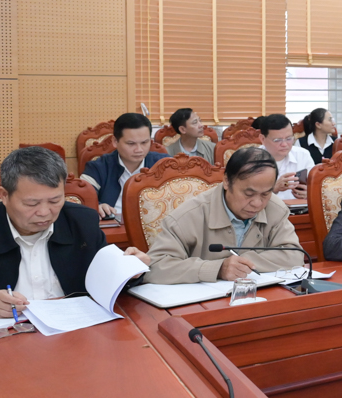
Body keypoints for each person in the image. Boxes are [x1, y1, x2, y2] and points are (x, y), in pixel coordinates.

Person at [0, 147, 141, 318]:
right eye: (31, 203)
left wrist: (130, 271)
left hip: (74, 330)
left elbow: (105, 280)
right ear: (4, 196)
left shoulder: (82, 221)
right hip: (0, 336)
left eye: (55, 200)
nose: (44, 212)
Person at [144, 148, 305, 283]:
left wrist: (240, 264)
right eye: (249, 194)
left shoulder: (275, 209)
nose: (257, 203)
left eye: (265, 194)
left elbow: (294, 256)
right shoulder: (188, 215)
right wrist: (217, 269)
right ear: (227, 181)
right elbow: (155, 267)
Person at [82, 112, 169, 221]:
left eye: (144, 143)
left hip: (156, 224)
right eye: (131, 144)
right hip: (114, 226)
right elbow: (80, 198)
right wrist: (96, 206)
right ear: (115, 141)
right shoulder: (98, 167)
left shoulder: (165, 165)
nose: (139, 150)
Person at [255, 114, 310, 200]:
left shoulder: (303, 155)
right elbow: (245, 197)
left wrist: (309, 193)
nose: (284, 144)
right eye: (277, 140)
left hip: (299, 207)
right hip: (265, 208)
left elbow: (318, 187)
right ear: (262, 139)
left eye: (289, 139)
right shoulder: (251, 160)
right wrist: (273, 189)